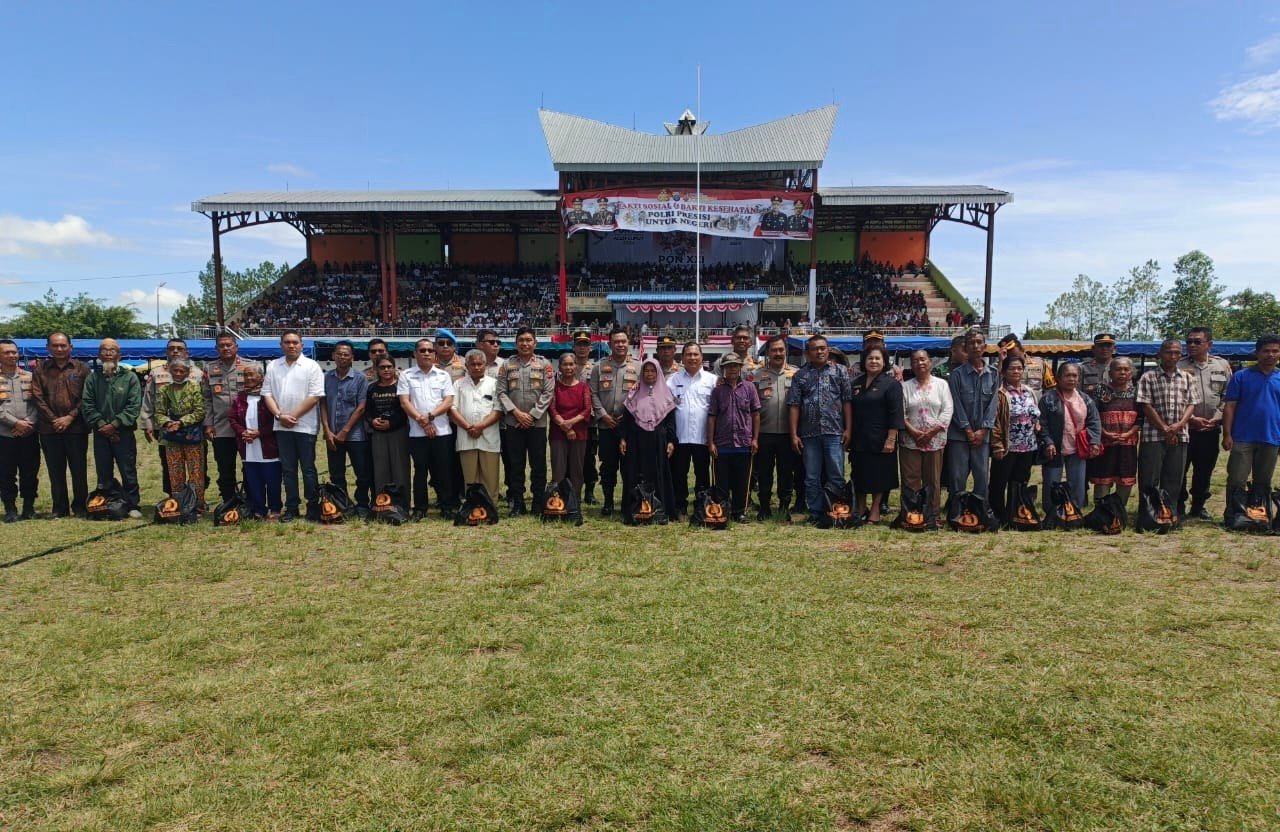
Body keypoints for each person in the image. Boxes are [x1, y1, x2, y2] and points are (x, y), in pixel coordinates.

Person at [788, 334, 852, 525]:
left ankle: (838, 511)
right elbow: (794, 405)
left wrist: (848, 429)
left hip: (835, 432)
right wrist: (793, 434)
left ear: (828, 349)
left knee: (836, 474)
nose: (820, 351)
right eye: (815, 348)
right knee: (812, 476)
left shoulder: (840, 371)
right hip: (809, 434)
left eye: (823, 348)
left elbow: (847, 401)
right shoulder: (800, 375)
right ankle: (815, 513)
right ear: (808, 353)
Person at [262, 330, 325, 522]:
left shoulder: (312, 366)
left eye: (295, 342)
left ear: (302, 345)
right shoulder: (273, 366)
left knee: (308, 468)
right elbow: (267, 394)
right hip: (282, 427)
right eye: (287, 342)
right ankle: (292, 507)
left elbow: (315, 396)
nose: (291, 345)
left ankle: (313, 506)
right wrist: (280, 416)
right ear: (281, 345)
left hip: (305, 426)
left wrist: (292, 416)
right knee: (288, 470)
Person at [80, 338, 143, 517]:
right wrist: (102, 425)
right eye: (104, 350)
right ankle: (107, 502)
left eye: (112, 350)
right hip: (100, 433)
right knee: (103, 470)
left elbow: (134, 405)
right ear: (99, 355)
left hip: (123, 432)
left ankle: (132, 505)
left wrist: (115, 424)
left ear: (119, 355)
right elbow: (87, 404)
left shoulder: (130, 377)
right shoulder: (93, 378)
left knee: (128, 470)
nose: (108, 353)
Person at [31, 332, 90, 518]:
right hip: (49, 429)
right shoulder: (40, 369)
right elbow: (37, 397)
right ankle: (59, 508)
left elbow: (87, 397)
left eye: (63, 345)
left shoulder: (82, 369)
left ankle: (80, 506)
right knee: (55, 470)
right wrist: (54, 419)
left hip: (76, 428)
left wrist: (70, 417)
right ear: (48, 347)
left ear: (70, 347)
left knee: (78, 469)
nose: (59, 349)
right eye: (55, 345)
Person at [1135, 339, 1199, 510]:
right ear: (1160, 354)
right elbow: (1145, 404)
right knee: (1150, 477)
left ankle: (1168, 513)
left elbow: (1192, 404)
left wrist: (1178, 426)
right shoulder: (1148, 377)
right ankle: (1148, 513)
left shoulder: (1187, 378)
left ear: (1181, 355)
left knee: (1174, 477)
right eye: (1168, 352)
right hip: (1153, 435)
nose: (1172, 356)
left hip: (1180, 435)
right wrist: (1164, 428)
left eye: (1176, 352)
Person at [1177, 326, 1233, 519]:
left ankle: (1199, 506)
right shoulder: (1178, 364)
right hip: (1184, 428)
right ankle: (1178, 505)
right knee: (1180, 469)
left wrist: (1217, 418)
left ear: (1209, 344)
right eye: (1189, 341)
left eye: (1197, 341)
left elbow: (1228, 396)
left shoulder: (1221, 365)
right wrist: (1191, 418)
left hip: (1210, 429)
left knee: (1204, 470)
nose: (1191, 345)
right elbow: (1173, 397)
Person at [496, 327, 553, 515]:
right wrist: (517, 413)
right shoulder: (507, 364)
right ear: (516, 343)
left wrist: (532, 415)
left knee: (538, 466)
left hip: (537, 425)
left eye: (529, 340)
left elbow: (548, 392)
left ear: (535, 343)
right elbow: (501, 392)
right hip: (513, 423)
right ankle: (518, 503)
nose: (525, 343)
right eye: (521, 340)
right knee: (515, 466)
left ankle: (538, 503)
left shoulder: (545, 365)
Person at [1221, 333, 1280, 515]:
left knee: (1263, 480)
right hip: (1242, 437)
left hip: (1271, 437)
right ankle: (1234, 513)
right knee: (1237, 479)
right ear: (1257, 353)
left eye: (1275, 351)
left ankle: (1259, 515)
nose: (1270, 355)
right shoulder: (1241, 376)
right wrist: (1227, 434)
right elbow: (1230, 406)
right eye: (1266, 351)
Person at [398, 337, 457, 520]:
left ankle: (446, 506)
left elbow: (448, 401)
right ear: (415, 353)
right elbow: (404, 401)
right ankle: (420, 508)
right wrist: (422, 421)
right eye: (422, 350)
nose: (426, 353)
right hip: (417, 432)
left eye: (429, 350)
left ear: (434, 354)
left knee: (443, 470)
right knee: (420, 471)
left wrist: (430, 417)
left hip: (441, 431)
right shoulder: (406, 375)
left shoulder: (443, 375)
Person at [588, 327, 640, 516]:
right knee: (608, 466)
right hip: (606, 425)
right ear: (610, 344)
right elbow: (592, 393)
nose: (620, 345)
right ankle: (608, 502)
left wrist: (627, 417)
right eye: (616, 342)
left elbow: (642, 395)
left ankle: (627, 502)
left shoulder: (639, 367)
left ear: (628, 343)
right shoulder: (599, 367)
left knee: (630, 467)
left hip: (630, 427)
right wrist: (602, 415)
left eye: (623, 341)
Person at [141, 337, 203, 494]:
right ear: (166, 352)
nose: (175, 351)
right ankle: (174, 500)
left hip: (193, 429)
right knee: (170, 464)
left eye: (180, 348)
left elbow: (205, 402)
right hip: (167, 429)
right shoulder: (156, 373)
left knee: (197, 466)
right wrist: (147, 424)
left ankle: (196, 499)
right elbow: (149, 400)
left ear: (187, 352)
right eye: (172, 348)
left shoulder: (198, 373)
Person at [849, 344, 904, 523]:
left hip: (881, 439)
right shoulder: (855, 383)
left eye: (877, 358)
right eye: (870, 358)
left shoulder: (891, 385)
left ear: (884, 362)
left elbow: (896, 414)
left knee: (879, 476)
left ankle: (875, 509)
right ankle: (861, 506)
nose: (873, 361)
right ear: (864, 361)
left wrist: (891, 438)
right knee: (860, 474)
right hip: (859, 438)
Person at [618, 359, 677, 523]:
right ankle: (636, 508)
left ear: (658, 373)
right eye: (646, 371)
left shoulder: (666, 394)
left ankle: (659, 509)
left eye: (653, 371)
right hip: (637, 441)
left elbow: (670, 420)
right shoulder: (634, 393)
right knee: (636, 473)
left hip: (659, 442)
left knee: (659, 473)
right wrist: (623, 438)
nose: (649, 374)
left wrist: (672, 441)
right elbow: (627, 419)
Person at [1041, 362, 1103, 515]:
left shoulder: (1085, 399)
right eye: (1067, 375)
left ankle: (1075, 511)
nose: (1071, 379)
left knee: (1077, 482)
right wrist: (1048, 442)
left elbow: (1094, 421)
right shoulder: (1048, 399)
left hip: (1078, 448)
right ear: (1058, 378)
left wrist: (1094, 441)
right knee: (1052, 482)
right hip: (1054, 448)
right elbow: (1042, 423)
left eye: (1074, 375)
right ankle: (1052, 513)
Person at [945, 329, 998, 507]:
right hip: (959, 435)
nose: (975, 346)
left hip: (982, 436)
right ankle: (956, 511)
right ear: (965, 348)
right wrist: (967, 430)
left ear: (985, 346)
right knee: (957, 476)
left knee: (982, 475)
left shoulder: (994, 374)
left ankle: (981, 511)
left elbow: (993, 405)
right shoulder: (956, 375)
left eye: (978, 342)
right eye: (971, 343)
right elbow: (956, 405)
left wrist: (983, 430)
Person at [900, 348, 953, 522]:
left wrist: (932, 432)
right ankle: (912, 514)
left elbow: (947, 410)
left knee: (933, 480)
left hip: (935, 440)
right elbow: (900, 413)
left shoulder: (942, 385)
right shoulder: (905, 387)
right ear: (911, 365)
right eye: (915, 360)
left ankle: (933, 515)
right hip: (910, 440)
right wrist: (914, 432)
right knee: (911, 479)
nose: (920, 363)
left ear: (930, 362)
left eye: (923, 359)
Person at [707, 353, 761, 522]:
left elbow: (755, 414)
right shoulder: (717, 391)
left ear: (740, 368)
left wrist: (755, 439)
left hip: (744, 443)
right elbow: (712, 416)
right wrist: (710, 442)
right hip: (722, 444)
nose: (732, 369)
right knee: (721, 481)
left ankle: (740, 511)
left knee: (742, 482)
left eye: (735, 366)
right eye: (728, 366)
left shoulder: (749, 388)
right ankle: (722, 509)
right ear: (723, 369)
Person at [320, 340, 371, 514]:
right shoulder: (326, 378)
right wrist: (327, 430)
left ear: (352, 358)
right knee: (336, 474)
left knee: (362, 473)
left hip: (355, 435)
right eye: (339, 354)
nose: (342, 357)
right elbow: (323, 405)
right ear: (334, 356)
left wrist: (345, 431)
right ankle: (342, 504)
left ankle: (363, 504)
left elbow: (361, 407)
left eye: (346, 354)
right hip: (332, 435)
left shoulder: (360, 378)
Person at [988, 355, 1041, 525]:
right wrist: (997, 445)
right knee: (999, 483)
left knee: (1019, 483)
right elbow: (995, 422)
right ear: (1004, 372)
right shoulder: (1001, 394)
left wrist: (1036, 424)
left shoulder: (1029, 391)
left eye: (1019, 368)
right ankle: (998, 515)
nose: (1016, 371)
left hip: (1027, 446)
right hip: (1007, 446)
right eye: (1012, 368)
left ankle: (1015, 514)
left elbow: (1034, 414)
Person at [668, 342, 718, 519]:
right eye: (688, 354)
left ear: (702, 357)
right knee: (679, 474)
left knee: (702, 474)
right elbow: (667, 407)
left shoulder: (712, 380)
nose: (692, 357)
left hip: (703, 438)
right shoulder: (673, 380)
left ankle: (701, 504)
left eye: (696, 354)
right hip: (680, 438)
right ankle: (680, 504)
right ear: (682, 358)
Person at [202, 332, 254, 502]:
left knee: (250, 466)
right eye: (221, 345)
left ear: (236, 347)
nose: (225, 348)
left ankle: (250, 501)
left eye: (229, 345)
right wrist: (208, 424)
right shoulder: (209, 370)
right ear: (216, 348)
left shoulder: (249, 366)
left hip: (246, 427)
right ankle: (229, 502)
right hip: (221, 427)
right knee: (225, 468)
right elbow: (207, 399)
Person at [751, 335, 797, 520]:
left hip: (787, 434)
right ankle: (764, 507)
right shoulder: (756, 375)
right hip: (764, 433)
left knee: (786, 472)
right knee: (764, 473)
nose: (778, 353)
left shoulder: (796, 374)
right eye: (773, 350)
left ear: (785, 351)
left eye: (780, 350)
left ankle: (784, 506)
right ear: (767, 353)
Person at [229, 365, 282, 519]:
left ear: (261, 377)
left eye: (251, 374)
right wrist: (242, 432)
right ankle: (259, 509)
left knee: (272, 480)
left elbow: (275, 419)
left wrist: (259, 433)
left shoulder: (269, 397)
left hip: (268, 446)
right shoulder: (240, 397)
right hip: (247, 446)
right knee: (253, 481)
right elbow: (232, 418)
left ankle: (275, 509)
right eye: (245, 375)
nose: (248, 378)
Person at [1087, 356, 1140, 510]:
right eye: (1118, 369)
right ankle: (1102, 511)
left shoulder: (1136, 392)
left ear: (1131, 373)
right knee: (1103, 478)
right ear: (1110, 373)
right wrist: (1104, 433)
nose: (1122, 373)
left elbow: (1141, 418)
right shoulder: (1100, 390)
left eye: (1126, 369)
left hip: (1127, 444)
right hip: (1105, 444)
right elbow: (1093, 416)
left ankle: (1118, 511)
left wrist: (1129, 433)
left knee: (1125, 477)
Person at [450, 349, 502, 503]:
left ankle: (490, 506)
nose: (477, 367)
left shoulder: (494, 384)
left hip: (489, 437)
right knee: (470, 477)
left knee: (490, 476)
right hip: (466, 437)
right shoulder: (458, 384)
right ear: (466, 365)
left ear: (485, 365)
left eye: (480, 364)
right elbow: (452, 408)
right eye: (473, 364)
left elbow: (498, 409)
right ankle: (472, 507)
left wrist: (480, 427)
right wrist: (468, 427)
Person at [154, 358, 207, 509]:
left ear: (188, 372)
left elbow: (199, 411)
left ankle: (198, 504)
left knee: (196, 471)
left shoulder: (195, 387)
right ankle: (178, 504)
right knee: (175, 471)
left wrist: (181, 422)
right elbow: (158, 413)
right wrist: (168, 422)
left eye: (181, 371)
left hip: (191, 434)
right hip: (171, 435)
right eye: (175, 370)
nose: (178, 374)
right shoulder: (164, 390)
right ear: (170, 371)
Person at [0, 338, 41, 521]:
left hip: (28, 434)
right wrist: (15, 423)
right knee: (6, 473)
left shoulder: (29, 376)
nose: (11, 355)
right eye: (7, 352)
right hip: (5, 435)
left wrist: (28, 423)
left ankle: (28, 508)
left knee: (30, 472)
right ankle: (10, 509)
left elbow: (37, 403)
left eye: (14, 352)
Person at [365, 357, 410, 506]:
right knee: (381, 470)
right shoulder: (371, 388)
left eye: (389, 366)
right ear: (377, 369)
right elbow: (367, 411)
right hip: (378, 434)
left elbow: (405, 411)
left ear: (394, 368)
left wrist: (391, 423)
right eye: (382, 367)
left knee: (400, 469)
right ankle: (383, 503)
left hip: (398, 432)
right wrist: (372, 421)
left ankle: (402, 503)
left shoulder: (401, 387)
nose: (386, 370)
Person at [549, 352, 593, 503]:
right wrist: (565, 427)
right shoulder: (555, 387)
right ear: (559, 367)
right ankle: (556, 502)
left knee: (577, 470)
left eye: (571, 364)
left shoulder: (583, 387)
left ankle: (575, 502)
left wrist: (571, 423)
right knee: (558, 469)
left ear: (576, 366)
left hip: (579, 433)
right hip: (558, 432)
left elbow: (587, 410)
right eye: (565, 364)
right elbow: (552, 408)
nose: (568, 367)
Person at [569, 331, 600, 502]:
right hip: (570, 420)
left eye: (585, 344)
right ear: (573, 347)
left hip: (590, 421)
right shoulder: (567, 366)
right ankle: (570, 488)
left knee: (589, 457)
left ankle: (589, 490)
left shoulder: (596, 368)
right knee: (569, 456)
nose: (582, 348)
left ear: (590, 347)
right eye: (579, 344)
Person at [1078, 333, 1117, 399]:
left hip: (1113, 407)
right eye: (1101, 346)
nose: (1104, 348)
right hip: (1089, 406)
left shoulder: (1121, 368)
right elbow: (1076, 393)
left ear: (1114, 349)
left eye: (1108, 346)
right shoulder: (1083, 368)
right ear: (1093, 348)